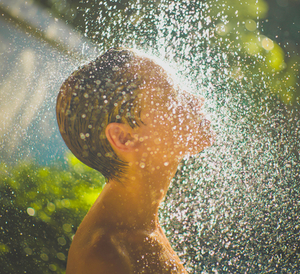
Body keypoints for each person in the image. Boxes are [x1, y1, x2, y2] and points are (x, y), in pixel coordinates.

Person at [56, 47, 214, 274]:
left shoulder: (140, 225)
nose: (197, 101)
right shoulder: (104, 257)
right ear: (124, 138)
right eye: (172, 96)